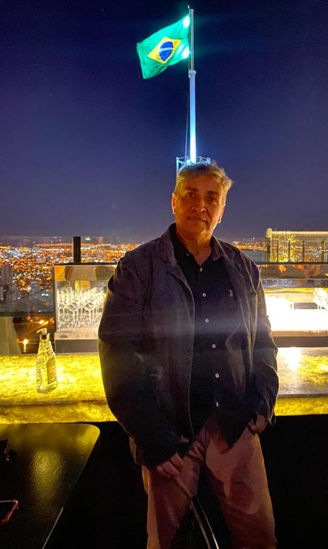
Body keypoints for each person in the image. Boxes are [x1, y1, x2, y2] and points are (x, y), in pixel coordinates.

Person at [98, 162, 279, 548]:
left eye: (212, 198)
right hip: (171, 433)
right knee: (167, 540)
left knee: (259, 536)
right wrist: (152, 437)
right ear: (174, 202)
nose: (201, 205)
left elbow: (263, 339)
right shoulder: (139, 268)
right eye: (191, 195)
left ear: (223, 208)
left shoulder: (243, 268)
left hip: (235, 427)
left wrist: (262, 404)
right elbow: (118, 354)